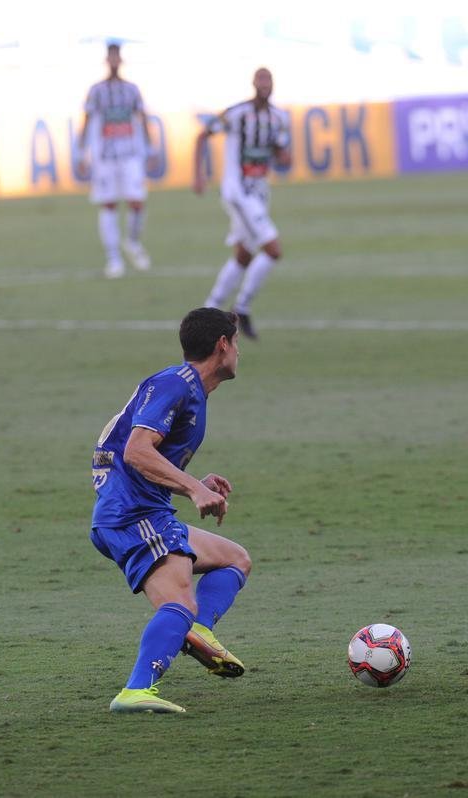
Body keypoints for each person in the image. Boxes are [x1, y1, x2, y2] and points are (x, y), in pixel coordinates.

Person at [90, 307, 253, 714]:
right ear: (222, 344)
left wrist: (194, 481)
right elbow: (136, 451)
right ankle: (136, 690)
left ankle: (197, 631)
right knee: (179, 602)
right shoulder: (174, 384)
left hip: (144, 510)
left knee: (234, 559)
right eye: (236, 342)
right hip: (132, 516)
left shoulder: (189, 390)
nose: (239, 351)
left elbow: (143, 458)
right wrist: (194, 489)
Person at [194, 68, 292, 340]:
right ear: (253, 83)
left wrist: (283, 156)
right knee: (273, 250)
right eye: (261, 79)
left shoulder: (278, 117)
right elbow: (202, 135)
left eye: (269, 79)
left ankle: (208, 311)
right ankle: (242, 308)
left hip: (259, 193)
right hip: (238, 192)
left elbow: (282, 152)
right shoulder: (237, 113)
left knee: (243, 256)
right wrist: (198, 175)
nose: (265, 84)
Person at [75, 42, 157, 279]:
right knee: (108, 204)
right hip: (105, 158)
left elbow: (142, 118)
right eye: (110, 57)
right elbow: (86, 121)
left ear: (121, 60)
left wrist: (150, 150)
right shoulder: (96, 90)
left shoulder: (132, 89)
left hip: (130, 155)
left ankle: (132, 241)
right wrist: (81, 153)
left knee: (137, 202)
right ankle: (113, 259)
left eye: (116, 57)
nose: (113, 61)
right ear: (106, 60)